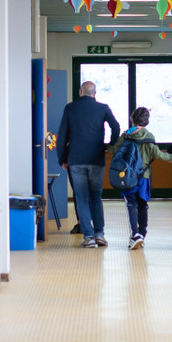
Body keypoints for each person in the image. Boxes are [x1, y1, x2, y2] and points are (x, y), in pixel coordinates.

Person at [56, 80, 121, 248]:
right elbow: (116, 126)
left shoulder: (71, 108)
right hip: (96, 159)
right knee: (95, 196)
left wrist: (62, 158)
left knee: (81, 197)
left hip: (76, 160)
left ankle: (89, 237)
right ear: (95, 93)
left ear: (80, 92)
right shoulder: (103, 108)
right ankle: (100, 234)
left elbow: (62, 134)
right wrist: (109, 146)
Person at [113, 107, 172, 250]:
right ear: (147, 121)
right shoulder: (149, 137)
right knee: (143, 206)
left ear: (132, 119)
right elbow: (159, 155)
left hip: (128, 178)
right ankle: (142, 234)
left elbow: (115, 151)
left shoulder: (126, 135)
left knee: (131, 205)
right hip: (144, 178)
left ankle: (134, 235)